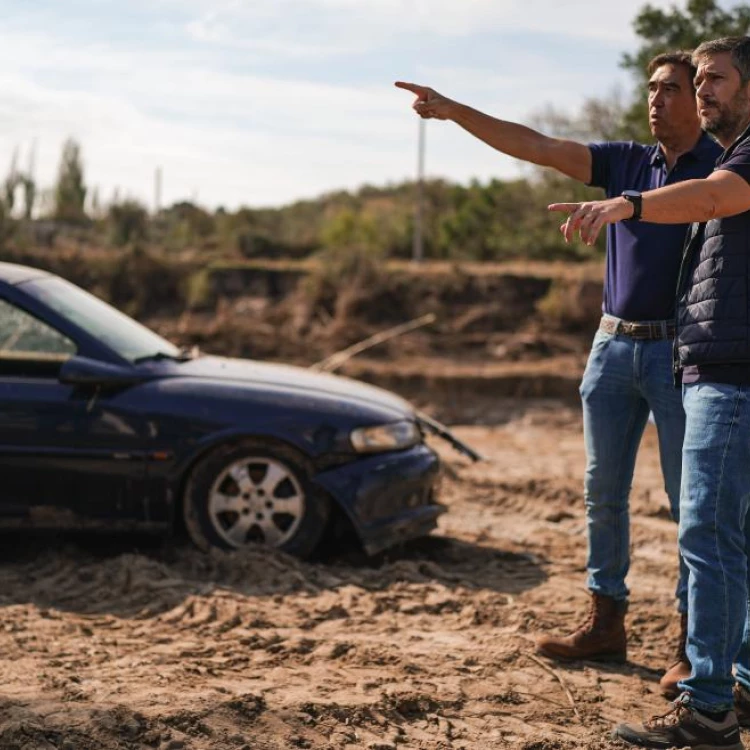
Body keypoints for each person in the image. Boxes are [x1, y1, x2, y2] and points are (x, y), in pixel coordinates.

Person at [396, 54, 721, 696]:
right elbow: (538, 145)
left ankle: (689, 645)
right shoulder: (628, 160)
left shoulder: (720, 165)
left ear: (697, 99)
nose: (656, 100)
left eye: (671, 89)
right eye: (651, 89)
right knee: (602, 493)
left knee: (691, 507)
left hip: (681, 353)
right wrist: (455, 110)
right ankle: (605, 622)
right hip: (610, 347)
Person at [549, 35, 750, 750]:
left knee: (705, 529)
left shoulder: (728, 164)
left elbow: (716, 198)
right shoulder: (699, 156)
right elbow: (543, 147)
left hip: (715, 368)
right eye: (684, 80)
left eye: (709, 80)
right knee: (700, 521)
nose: (694, 92)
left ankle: (706, 697)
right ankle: (729, 679)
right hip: (674, 356)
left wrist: (629, 205)